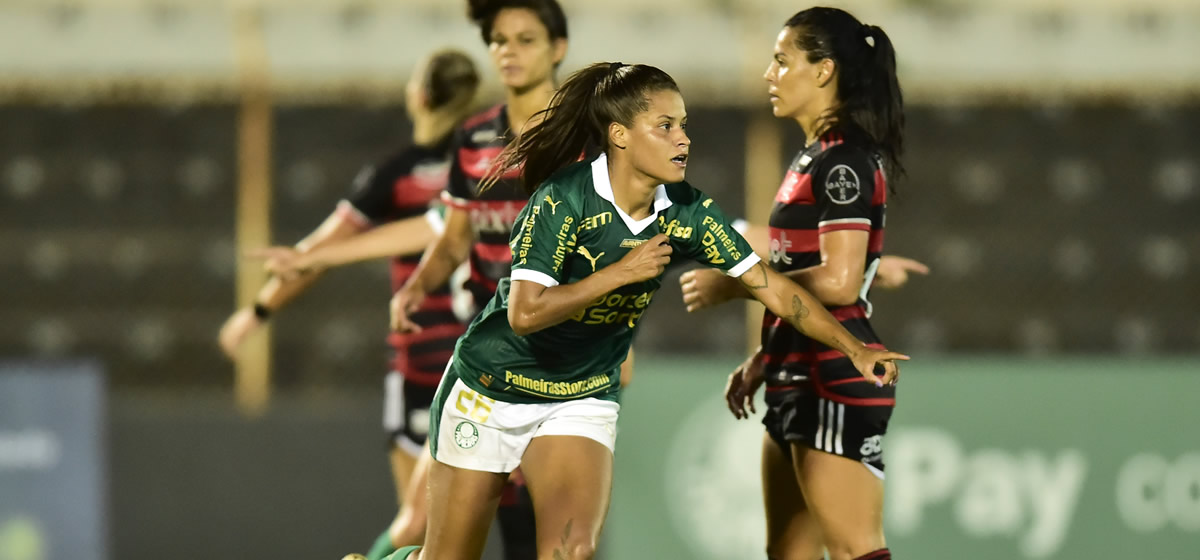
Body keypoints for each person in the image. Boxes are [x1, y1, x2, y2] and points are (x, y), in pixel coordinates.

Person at [383, 61, 908, 560]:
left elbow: (770, 286)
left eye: (683, 125)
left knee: (572, 550)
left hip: (580, 395)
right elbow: (525, 314)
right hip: (489, 389)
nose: (683, 139)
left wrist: (854, 348)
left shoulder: (688, 212)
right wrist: (620, 274)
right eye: (665, 125)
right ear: (619, 134)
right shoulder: (561, 200)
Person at [214, 49, 485, 559]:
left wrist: (257, 312)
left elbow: (314, 253)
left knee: (421, 522)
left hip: (429, 365)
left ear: (420, 96)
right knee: (437, 523)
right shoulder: (486, 164)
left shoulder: (397, 172)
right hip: (481, 360)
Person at [679, 8, 908, 560]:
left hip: (832, 374)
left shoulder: (843, 162)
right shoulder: (813, 157)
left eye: (783, 61)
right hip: (793, 368)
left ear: (824, 70)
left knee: (855, 548)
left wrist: (735, 285)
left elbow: (839, 280)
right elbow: (801, 271)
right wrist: (764, 357)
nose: (769, 74)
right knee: (788, 552)